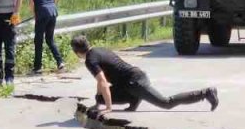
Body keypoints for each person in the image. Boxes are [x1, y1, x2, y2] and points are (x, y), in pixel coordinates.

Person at [70, 35, 218, 116]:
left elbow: (102, 82)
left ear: (76, 51)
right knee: (100, 97)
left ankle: (205, 93)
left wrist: (108, 107)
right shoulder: (98, 50)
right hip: (130, 80)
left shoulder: (90, 60)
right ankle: (134, 100)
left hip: (135, 82)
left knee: (166, 103)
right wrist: (98, 101)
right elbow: (100, 82)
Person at [20, 0, 64, 73]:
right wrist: (52, 3)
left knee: (38, 40)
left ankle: (38, 67)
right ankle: (60, 62)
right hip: (53, 12)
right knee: (49, 39)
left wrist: (35, 15)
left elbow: (31, 4)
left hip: (42, 14)